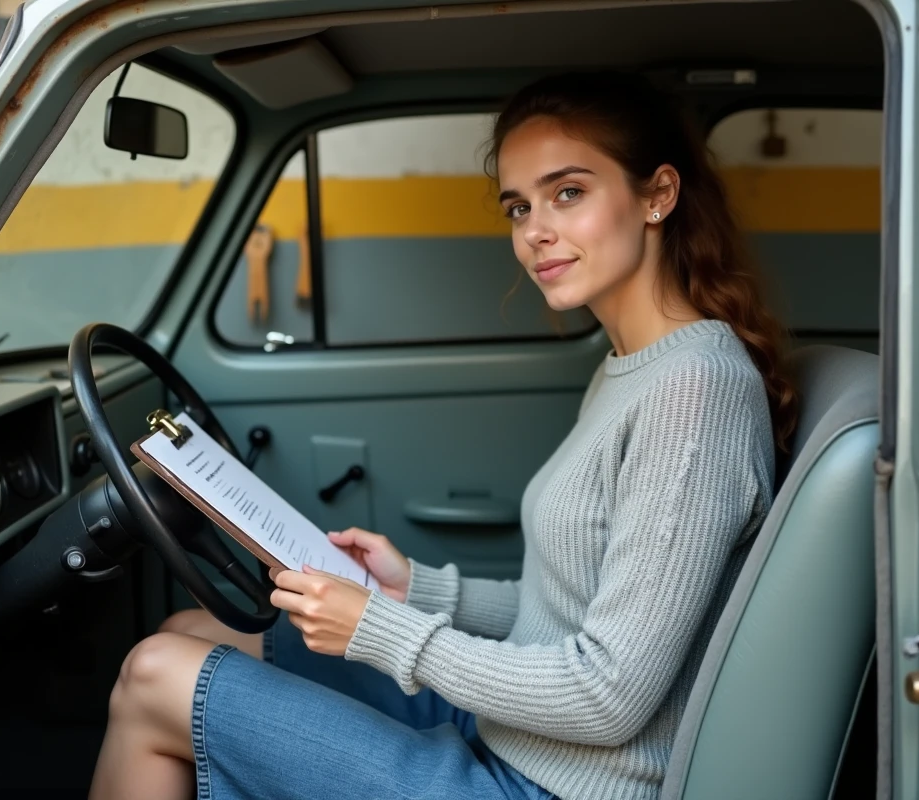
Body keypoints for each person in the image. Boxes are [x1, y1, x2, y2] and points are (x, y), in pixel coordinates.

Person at [87, 70, 796, 800]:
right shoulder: (633, 366)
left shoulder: (694, 389)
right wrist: (415, 589)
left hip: (557, 785)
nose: (535, 231)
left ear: (658, 195)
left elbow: (607, 696)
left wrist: (379, 630)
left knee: (153, 677)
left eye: (568, 193)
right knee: (191, 630)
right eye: (519, 207)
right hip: (518, 738)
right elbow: (564, 610)